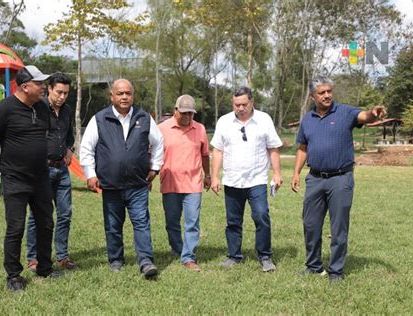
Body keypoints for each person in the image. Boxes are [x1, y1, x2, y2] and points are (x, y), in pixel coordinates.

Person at [291, 76, 386, 282]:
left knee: (338, 227)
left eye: (329, 91)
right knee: (310, 224)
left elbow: (364, 116)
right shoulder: (307, 119)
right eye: (321, 92)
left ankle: (336, 271)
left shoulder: (344, 112)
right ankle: (314, 266)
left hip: (340, 179)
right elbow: (303, 148)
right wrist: (296, 173)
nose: (326, 95)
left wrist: (373, 113)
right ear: (312, 96)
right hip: (315, 178)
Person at [0, 66, 63, 292]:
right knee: (16, 227)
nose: (44, 87)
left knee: (46, 223)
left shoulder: (43, 108)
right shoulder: (3, 110)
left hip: (41, 178)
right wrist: (1, 162)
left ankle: (45, 267)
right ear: (25, 87)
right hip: (15, 179)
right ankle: (14, 275)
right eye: (39, 83)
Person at [80, 79, 163, 277]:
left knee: (141, 222)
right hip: (111, 184)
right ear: (112, 96)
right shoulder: (99, 119)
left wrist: (155, 168)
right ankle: (116, 259)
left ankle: (145, 261)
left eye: (128, 93)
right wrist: (90, 174)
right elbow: (86, 148)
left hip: (138, 185)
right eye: (120, 93)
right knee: (113, 225)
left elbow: (159, 143)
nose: (124, 97)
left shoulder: (144, 118)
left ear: (133, 95)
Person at [210, 86, 283, 272]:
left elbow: (273, 148)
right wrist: (215, 176)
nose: (240, 108)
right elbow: (217, 150)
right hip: (232, 179)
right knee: (233, 221)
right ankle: (234, 256)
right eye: (236, 105)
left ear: (252, 102)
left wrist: (276, 173)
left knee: (261, 216)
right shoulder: (224, 121)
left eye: (244, 104)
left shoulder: (264, 120)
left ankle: (265, 256)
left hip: (257, 179)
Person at [26, 72, 77, 272]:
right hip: (42, 170)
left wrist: (70, 150)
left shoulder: (67, 111)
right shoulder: (37, 109)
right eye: (59, 92)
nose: (62, 97)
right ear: (49, 89)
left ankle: (62, 256)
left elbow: (70, 136)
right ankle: (33, 258)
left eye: (66, 93)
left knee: (65, 214)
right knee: (37, 215)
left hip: (62, 170)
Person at [158, 95, 211, 272]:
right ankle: (178, 248)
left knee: (192, 221)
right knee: (172, 221)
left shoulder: (200, 129)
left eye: (191, 113)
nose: (187, 116)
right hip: (170, 183)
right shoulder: (162, 129)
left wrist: (208, 175)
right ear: (175, 111)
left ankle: (188, 257)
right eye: (184, 113)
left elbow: (204, 155)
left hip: (193, 183)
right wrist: (149, 177)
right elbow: (152, 155)